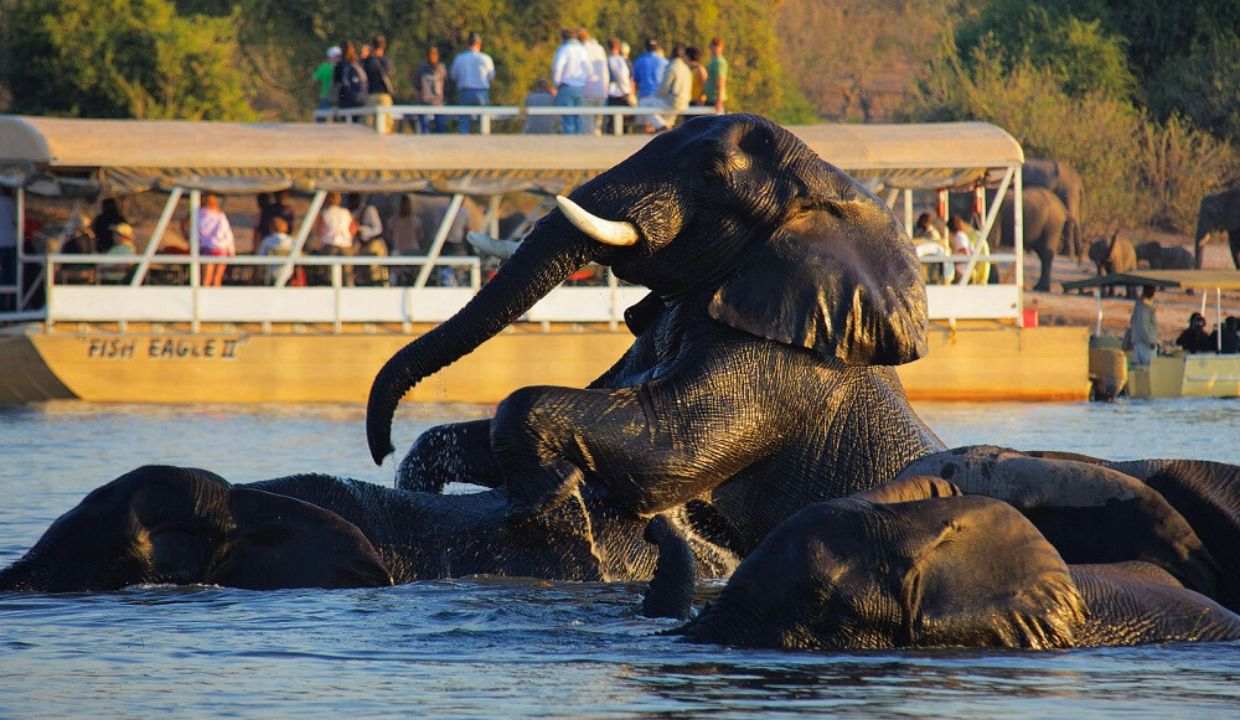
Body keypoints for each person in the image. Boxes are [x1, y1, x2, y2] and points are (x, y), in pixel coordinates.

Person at [449, 32, 495, 133]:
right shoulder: (486, 58)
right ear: (479, 44)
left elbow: (453, 76)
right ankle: (483, 144)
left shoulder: (459, 58)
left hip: (465, 92)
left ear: (467, 44)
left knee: (464, 121)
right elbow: (491, 77)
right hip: (481, 92)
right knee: (483, 122)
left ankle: (464, 143)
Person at [639, 44, 692, 133]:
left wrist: (655, 97)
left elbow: (664, 88)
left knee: (643, 103)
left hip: (674, 102)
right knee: (660, 107)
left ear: (672, 54)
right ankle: (666, 127)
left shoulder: (672, 67)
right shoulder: (686, 68)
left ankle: (662, 126)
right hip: (685, 102)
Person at [551, 28, 589, 134]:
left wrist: (556, 82)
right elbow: (588, 68)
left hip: (566, 86)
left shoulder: (564, 49)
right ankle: (579, 143)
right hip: (580, 87)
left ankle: (569, 144)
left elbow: (558, 67)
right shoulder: (582, 49)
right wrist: (584, 79)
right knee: (579, 117)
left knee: (568, 119)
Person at [195, 194, 235, 287]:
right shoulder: (220, 215)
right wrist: (231, 251)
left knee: (206, 280)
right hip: (221, 248)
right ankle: (216, 299)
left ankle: (204, 299)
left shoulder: (198, 214)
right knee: (217, 279)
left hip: (207, 248)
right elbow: (227, 233)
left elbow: (195, 232)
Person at [386, 194, 425, 285]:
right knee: (414, 274)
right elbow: (421, 237)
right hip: (413, 251)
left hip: (398, 251)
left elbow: (388, 236)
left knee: (395, 273)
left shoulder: (393, 221)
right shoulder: (416, 221)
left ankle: (393, 285)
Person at [363, 35, 396, 133]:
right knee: (386, 125)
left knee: (368, 126)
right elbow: (391, 75)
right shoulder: (386, 61)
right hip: (383, 95)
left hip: (371, 95)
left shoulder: (368, 61)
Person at [580, 29, 609, 135]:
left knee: (587, 119)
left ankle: (589, 139)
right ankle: (598, 135)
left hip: (586, 88)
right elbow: (605, 69)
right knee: (599, 120)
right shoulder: (600, 48)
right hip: (601, 88)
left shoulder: (582, 49)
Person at [414, 46, 446, 133]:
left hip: (438, 102)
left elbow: (446, 84)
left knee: (440, 127)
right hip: (424, 102)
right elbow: (417, 85)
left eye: (435, 54)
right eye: (431, 54)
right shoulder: (421, 69)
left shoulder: (441, 68)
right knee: (424, 128)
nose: (433, 56)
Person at [334, 41, 368, 121]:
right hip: (359, 100)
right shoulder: (358, 63)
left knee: (346, 126)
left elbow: (336, 84)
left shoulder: (339, 65)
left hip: (345, 99)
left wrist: (334, 102)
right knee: (358, 124)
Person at [605, 37, 635, 125]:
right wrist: (628, 92)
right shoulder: (622, 60)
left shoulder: (609, 60)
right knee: (624, 123)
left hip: (614, 94)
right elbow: (627, 78)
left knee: (612, 123)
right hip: (623, 94)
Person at [1128, 285, 1159, 366]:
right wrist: (1150, 341)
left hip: (1138, 342)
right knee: (1148, 371)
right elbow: (1143, 327)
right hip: (1145, 345)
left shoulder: (1138, 304)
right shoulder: (1145, 306)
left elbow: (1132, 321)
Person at [312, 46, 341, 121]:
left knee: (320, 119)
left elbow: (314, 79)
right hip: (340, 98)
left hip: (326, 96)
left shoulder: (324, 67)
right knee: (339, 121)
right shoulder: (343, 67)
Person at [704, 37, 728, 113]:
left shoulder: (719, 62)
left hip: (715, 100)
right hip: (710, 98)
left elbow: (721, 81)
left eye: (717, 46)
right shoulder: (713, 60)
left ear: (721, 48)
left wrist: (719, 101)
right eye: (713, 45)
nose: (713, 48)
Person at [947, 215, 972, 282]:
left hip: (962, 270)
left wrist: (954, 261)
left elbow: (965, 251)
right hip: (962, 269)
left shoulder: (959, 236)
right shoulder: (960, 235)